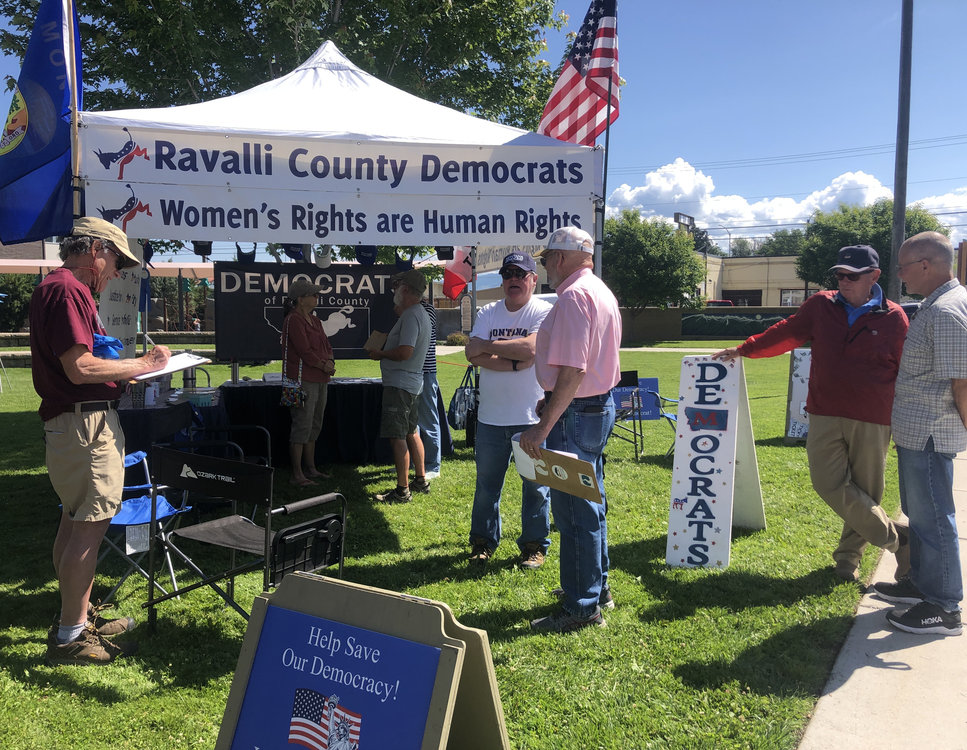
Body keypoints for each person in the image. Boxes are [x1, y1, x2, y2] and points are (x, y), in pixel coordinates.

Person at [713, 245, 909, 583]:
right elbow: (786, 332)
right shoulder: (821, 305)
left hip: (874, 417)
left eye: (852, 276)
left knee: (866, 490)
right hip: (825, 411)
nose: (843, 281)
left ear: (874, 277)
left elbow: (906, 372)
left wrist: (905, 421)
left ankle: (848, 560)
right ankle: (900, 540)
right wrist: (744, 349)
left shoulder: (894, 318)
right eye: (840, 275)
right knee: (827, 483)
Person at [29, 216, 172, 666]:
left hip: (72, 425)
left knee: (74, 522)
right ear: (93, 249)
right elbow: (81, 368)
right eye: (114, 259)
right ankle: (72, 634)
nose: (114, 272)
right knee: (88, 528)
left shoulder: (56, 286)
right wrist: (144, 364)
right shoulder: (70, 289)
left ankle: (79, 613)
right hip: (85, 426)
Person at [520, 226, 622, 632]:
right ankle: (595, 589)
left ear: (560, 258)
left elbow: (574, 369)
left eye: (546, 258)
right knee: (590, 501)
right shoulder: (597, 290)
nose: (545, 266)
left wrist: (543, 426)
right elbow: (580, 368)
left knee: (575, 510)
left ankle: (583, 607)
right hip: (591, 407)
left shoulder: (574, 296)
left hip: (576, 411)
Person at [873, 231, 964, 636]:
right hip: (917, 433)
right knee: (920, 513)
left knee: (933, 520)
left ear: (926, 265)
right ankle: (922, 587)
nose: (900, 275)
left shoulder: (946, 311)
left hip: (930, 434)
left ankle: (944, 607)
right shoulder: (939, 305)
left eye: (904, 267)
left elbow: (961, 382)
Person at [465, 252, 553, 569]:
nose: (513, 279)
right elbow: (470, 353)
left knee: (536, 488)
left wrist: (488, 347)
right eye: (507, 274)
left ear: (533, 278)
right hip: (490, 419)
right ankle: (483, 543)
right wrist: (514, 360)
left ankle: (534, 547)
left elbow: (530, 350)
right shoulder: (489, 311)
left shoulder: (543, 311)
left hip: (531, 420)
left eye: (520, 273)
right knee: (487, 487)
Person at [369, 269, 432, 503]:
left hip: (400, 384)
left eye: (397, 287)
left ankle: (402, 490)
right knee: (410, 432)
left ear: (405, 290)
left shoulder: (411, 315)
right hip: (410, 382)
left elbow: (405, 352)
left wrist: (380, 354)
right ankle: (420, 480)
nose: (394, 291)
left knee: (397, 437)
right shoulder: (417, 313)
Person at [281, 278, 336, 487]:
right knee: (301, 425)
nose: (317, 297)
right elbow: (304, 350)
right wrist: (323, 365)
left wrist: (329, 361)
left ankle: (310, 469)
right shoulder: (293, 320)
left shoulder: (316, 321)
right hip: (300, 380)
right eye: (313, 294)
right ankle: (297, 474)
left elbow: (327, 345)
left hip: (321, 378)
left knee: (315, 424)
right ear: (300, 299)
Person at [417, 297, 442, 480]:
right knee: (413, 422)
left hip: (425, 372)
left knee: (428, 419)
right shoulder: (415, 309)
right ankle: (413, 461)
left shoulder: (426, 309)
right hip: (413, 372)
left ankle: (433, 465)